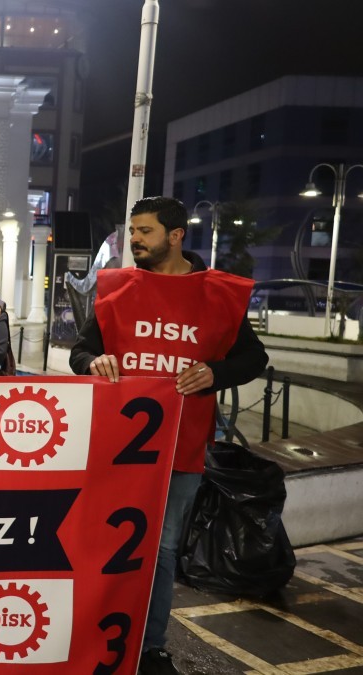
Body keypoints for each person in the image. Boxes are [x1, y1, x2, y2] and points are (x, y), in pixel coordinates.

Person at [70, 196, 267, 675]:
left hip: (182, 449)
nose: (135, 239)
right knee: (102, 543)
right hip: (115, 449)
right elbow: (80, 353)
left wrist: (216, 373)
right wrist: (94, 362)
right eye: (133, 230)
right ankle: (94, 637)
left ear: (176, 236)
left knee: (162, 551)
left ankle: (151, 647)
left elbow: (254, 358)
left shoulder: (218, 295)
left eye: (145, 231)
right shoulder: (117, 289)